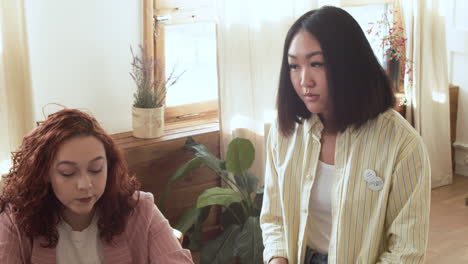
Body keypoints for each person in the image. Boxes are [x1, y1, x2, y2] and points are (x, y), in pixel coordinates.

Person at [260, 6, 431, 264]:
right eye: (294, 66)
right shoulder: (285, 133)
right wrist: (277, 259)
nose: (304, 80)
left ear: (348, 64)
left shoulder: (403, 145)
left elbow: (406, 250)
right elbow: (273, 218)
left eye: (316, 63)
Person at [0, 109, 194, 264]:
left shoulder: (140, 209)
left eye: (96, 169)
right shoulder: (16, 219)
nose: (86, 185)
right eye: (68, 172)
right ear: (45, 173)